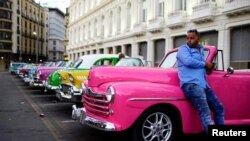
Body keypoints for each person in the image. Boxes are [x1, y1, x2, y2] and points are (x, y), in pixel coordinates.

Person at [176, 29, 224, 134]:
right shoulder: (183, 49)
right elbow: (188, 61)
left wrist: (209, 68)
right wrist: (205, 64)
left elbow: (202, 68)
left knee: (219, 108)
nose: (189, 40)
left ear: (198, 38)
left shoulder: (201, 49)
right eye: (188, 38)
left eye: (192, 38)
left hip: (204, 85)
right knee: (205, 114)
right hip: (191, 85)